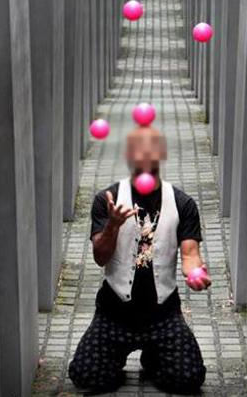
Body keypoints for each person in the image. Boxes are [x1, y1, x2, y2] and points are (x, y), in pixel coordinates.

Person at [68, 126, 210, 394]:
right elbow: (100, 258)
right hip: (114, 313)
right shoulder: (107, 200)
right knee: (86, 376)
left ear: (161, 153)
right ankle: (115, 359)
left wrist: (196, 274)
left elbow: (191, 255)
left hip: (162, 315)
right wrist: (112, 226)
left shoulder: (183, 203)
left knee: (189, 378)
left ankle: (153, 357)